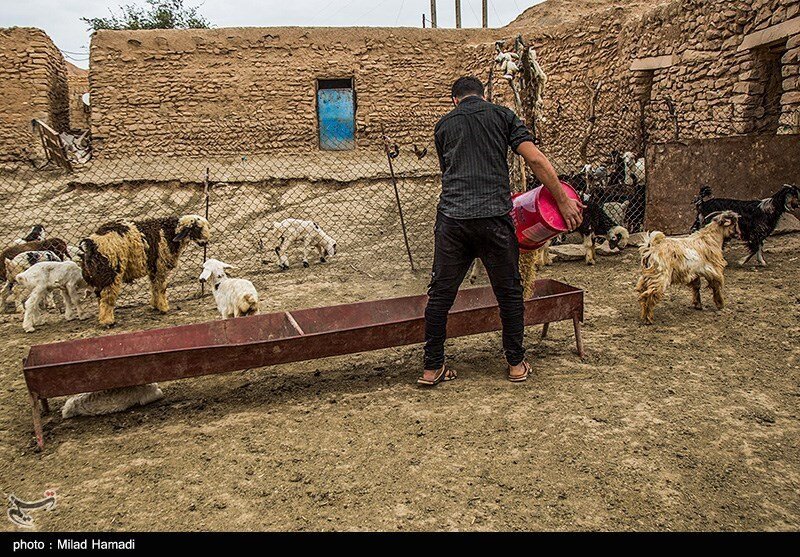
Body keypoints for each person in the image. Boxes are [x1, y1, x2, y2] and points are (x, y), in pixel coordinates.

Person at [418, 76, 584, 386]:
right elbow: (534, 158)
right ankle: (516, 364)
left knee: (440, 295)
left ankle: (432, 367)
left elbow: (449, 171)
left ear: (455, 100)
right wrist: (561, 199)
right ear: (482, 96)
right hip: (494, 217)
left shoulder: (443, 126)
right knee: (509, 291)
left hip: (453, 219)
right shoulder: (503, 115)